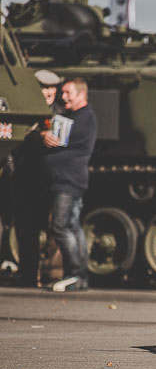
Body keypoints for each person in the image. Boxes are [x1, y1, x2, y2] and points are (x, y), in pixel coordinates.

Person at [40, 77, 97, 292]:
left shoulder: (83, 118)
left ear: (81, 94)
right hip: (67, 180)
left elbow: (57, 138)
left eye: (67, 93)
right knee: (72, 226)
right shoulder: (76, 116)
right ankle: (79, 276)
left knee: (61, 226)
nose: (63, 97)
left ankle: (76, 273)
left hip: (68, 181)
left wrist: (44, 134)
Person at [9, 70, 64, 287]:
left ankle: (54, 275)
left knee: (54, 230)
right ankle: (28, 275)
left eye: (52, 87)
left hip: (49, 181)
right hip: (25, 178)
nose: (49, 91)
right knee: (25, 229)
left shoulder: (59, 113)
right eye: (44, 87)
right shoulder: (23, 108)